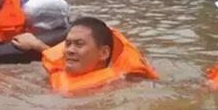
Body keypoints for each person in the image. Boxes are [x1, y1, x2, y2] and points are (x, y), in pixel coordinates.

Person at [11, 17, 158, 94]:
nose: (69, 50)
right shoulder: (55, 74)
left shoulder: (117, 86)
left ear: (104, 53)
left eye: (79, 44)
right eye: (67, 44)